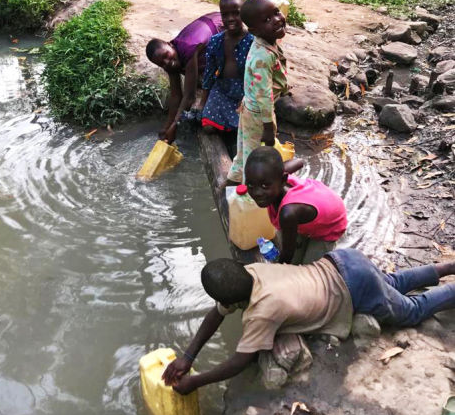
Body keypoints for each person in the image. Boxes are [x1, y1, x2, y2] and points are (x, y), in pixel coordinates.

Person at [162, 252, 455, 395]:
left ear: (234, 302)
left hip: (353, 288)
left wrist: (196, 382)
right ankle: (448, 266)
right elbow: (216, 313)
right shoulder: (251, 271)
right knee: (395, 281)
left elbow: (240, 361)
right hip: (344, 260)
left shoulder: (262, 311)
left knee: (413, 311)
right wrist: (188, 356)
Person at [245, 147, 347, 265]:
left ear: (283, 180)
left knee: (308, 271)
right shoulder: (275, 177)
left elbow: (287, 255)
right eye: (250, 184)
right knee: (291, 244)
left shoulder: (288, 213)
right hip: (321, 201)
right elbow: (299, 162)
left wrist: (277, 269)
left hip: (332, 223)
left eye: (264, 185)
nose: (257, 193)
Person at [227, 0, 289, 184]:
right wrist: (269, 127)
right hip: (259, 114)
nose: (277, 19)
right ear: (254, 30)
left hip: (251, 107)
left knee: (244, 150)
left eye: (276, 12)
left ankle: (232, 181)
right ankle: (250, 192)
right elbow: (264, 96)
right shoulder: (262, 56)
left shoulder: (266, 41)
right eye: (267, 20)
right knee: (254, 157)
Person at [146, 11, 224, 144]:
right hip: (207, 36)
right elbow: (176, 96)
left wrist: (175, 125)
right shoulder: (171, 62)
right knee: (197, 74)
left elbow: (189, 97)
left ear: (170, 44)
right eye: (161, 63)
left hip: (222, 26)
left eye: (166, 55)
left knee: (220, 77)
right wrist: (167, 125)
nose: (166, 62)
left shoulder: (188, 49)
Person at [199, 0, 254, 134]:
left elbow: (257, 77)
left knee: (244, 131)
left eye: (236, 13)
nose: (230, 19)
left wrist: (248, 99)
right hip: (222, 90)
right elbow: (209, 74)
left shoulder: (253, 42)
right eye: (225, 15)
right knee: (207, 126)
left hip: (246, 93)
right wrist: (202, 105)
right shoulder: (216, 41)